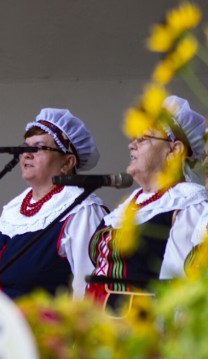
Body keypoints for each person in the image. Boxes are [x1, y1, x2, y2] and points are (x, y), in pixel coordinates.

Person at [86, 95, 208, 309]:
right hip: (97, 326)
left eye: (144, 139)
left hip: (138, 329)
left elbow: (176, 288)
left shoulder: (187, 202)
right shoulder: (130, 203)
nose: (132, 145)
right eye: (134, 138)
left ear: (174, 150)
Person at [0, 108, 107, 300]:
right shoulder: (14, 208)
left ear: (68, 162)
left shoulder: (81, 210)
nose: (27, 154)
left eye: (39, 147)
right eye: (25, 147)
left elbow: (86, 291)